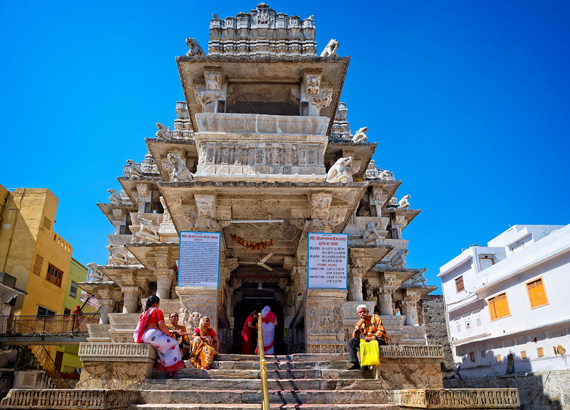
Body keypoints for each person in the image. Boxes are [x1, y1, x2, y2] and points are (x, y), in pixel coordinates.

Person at [134, 295, 184, 377]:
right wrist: (170, 334)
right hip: (152, 336)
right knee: (174, 343)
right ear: (155, 303)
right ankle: (171, 369)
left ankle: (164, 365)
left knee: (162, 346)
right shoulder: (157, 311)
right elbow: (162, 326)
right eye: (159, 303)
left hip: (143, 336)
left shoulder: (144, 313)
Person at [347, 304, 388, 374]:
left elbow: (381, 331)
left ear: (367, 311)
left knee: (368, 342)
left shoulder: (375, 317)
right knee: (352, 341)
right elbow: (355, 336)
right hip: (368, 341)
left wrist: (372, 337)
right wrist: (358, 325)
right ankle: (355, 363)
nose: (362, 313)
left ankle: (365, 366)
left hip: (380, 340)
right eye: (360, 312)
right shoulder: (360, 323)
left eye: (364, 311)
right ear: (357, 314)